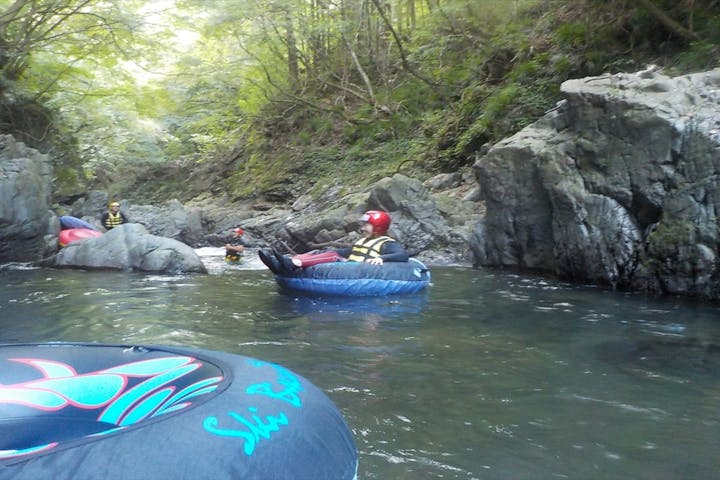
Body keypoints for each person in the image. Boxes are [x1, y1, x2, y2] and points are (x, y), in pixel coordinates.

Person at [259, 210, 409, 274]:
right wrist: (322, 253)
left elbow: (403, 256)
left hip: (360, 270)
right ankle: (286, 262)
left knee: (333, 257)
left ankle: (293, 264)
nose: (363, 228)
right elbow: (345, 252)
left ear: (378, 227)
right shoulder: (365, 240)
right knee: (329, 253)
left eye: (366, 225)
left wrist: (381, 258)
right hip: (352, 265)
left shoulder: (387, 243)